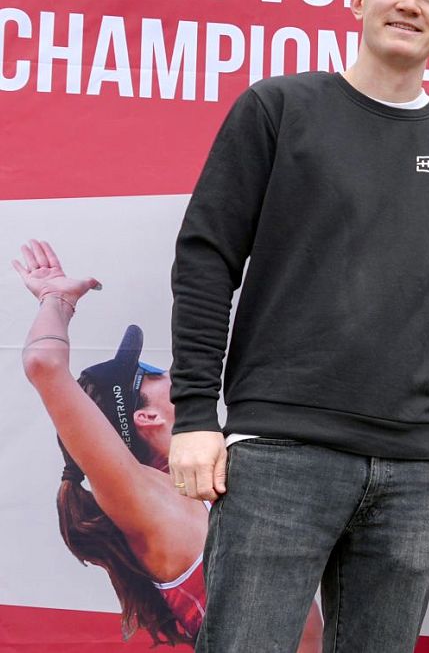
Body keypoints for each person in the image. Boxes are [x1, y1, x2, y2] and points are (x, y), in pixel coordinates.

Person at [168, 0, 429, 652]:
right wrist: (196, 413)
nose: (409, 3)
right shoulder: (278, 110)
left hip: (411, 472)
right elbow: (206, 260)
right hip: (277, 458)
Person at [12, 239, 320, 650]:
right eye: (151, 371)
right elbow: (43, 365)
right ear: (146, 416)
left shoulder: (198, 476)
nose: (171, 370)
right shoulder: (144, 500)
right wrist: (56, 298)